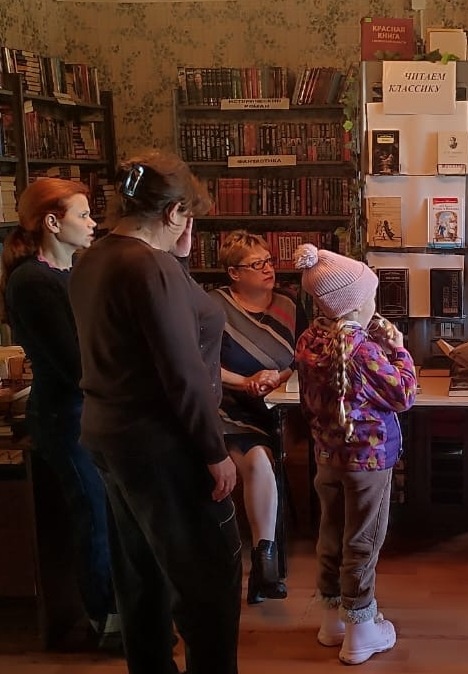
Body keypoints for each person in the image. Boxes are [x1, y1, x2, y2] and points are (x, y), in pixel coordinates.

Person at [69, 151, 241, 674]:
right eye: (187, 216)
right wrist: (214, 451)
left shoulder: (94, 258)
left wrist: (178, 258)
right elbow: (181, 370)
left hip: (110, 435)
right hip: (164, 443)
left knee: (140, 574)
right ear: (172, 212)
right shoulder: (150, 266)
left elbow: (148, 329)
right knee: (209, 580)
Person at [0, 178, 120, 648]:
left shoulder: (72, 271)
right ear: (53, 222)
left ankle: (121, 610)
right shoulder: (33, 280)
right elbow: (74, 363)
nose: (93, 223)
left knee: (106, 513)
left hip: (88, 410)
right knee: (92, 515)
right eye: (83, 214)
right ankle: (107, 623)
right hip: (65, 417)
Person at [293, 243, 417, 666]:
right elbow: (403, 394)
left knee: (331, 535)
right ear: (355, 304)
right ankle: (361, 632)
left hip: (328, 456)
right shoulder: (361, 351)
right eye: (371, 297)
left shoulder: (310, 340)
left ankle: (332, 622)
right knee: (362, 541)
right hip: (368, 462)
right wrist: (398, 348)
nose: (375, 304)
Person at [209, 230, 308, 605]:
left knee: (267, 455)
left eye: (269, 261)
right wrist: (245, 381)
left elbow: (302, 355)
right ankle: (265, 562)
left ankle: (264, 563)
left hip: (279, 403)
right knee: (257, 461)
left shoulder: (289, 304)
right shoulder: (213, 307)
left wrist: (277, 378)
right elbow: (201, 363)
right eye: (257, 264)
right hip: (229, 404)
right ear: (234, 273)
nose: (268, 269)